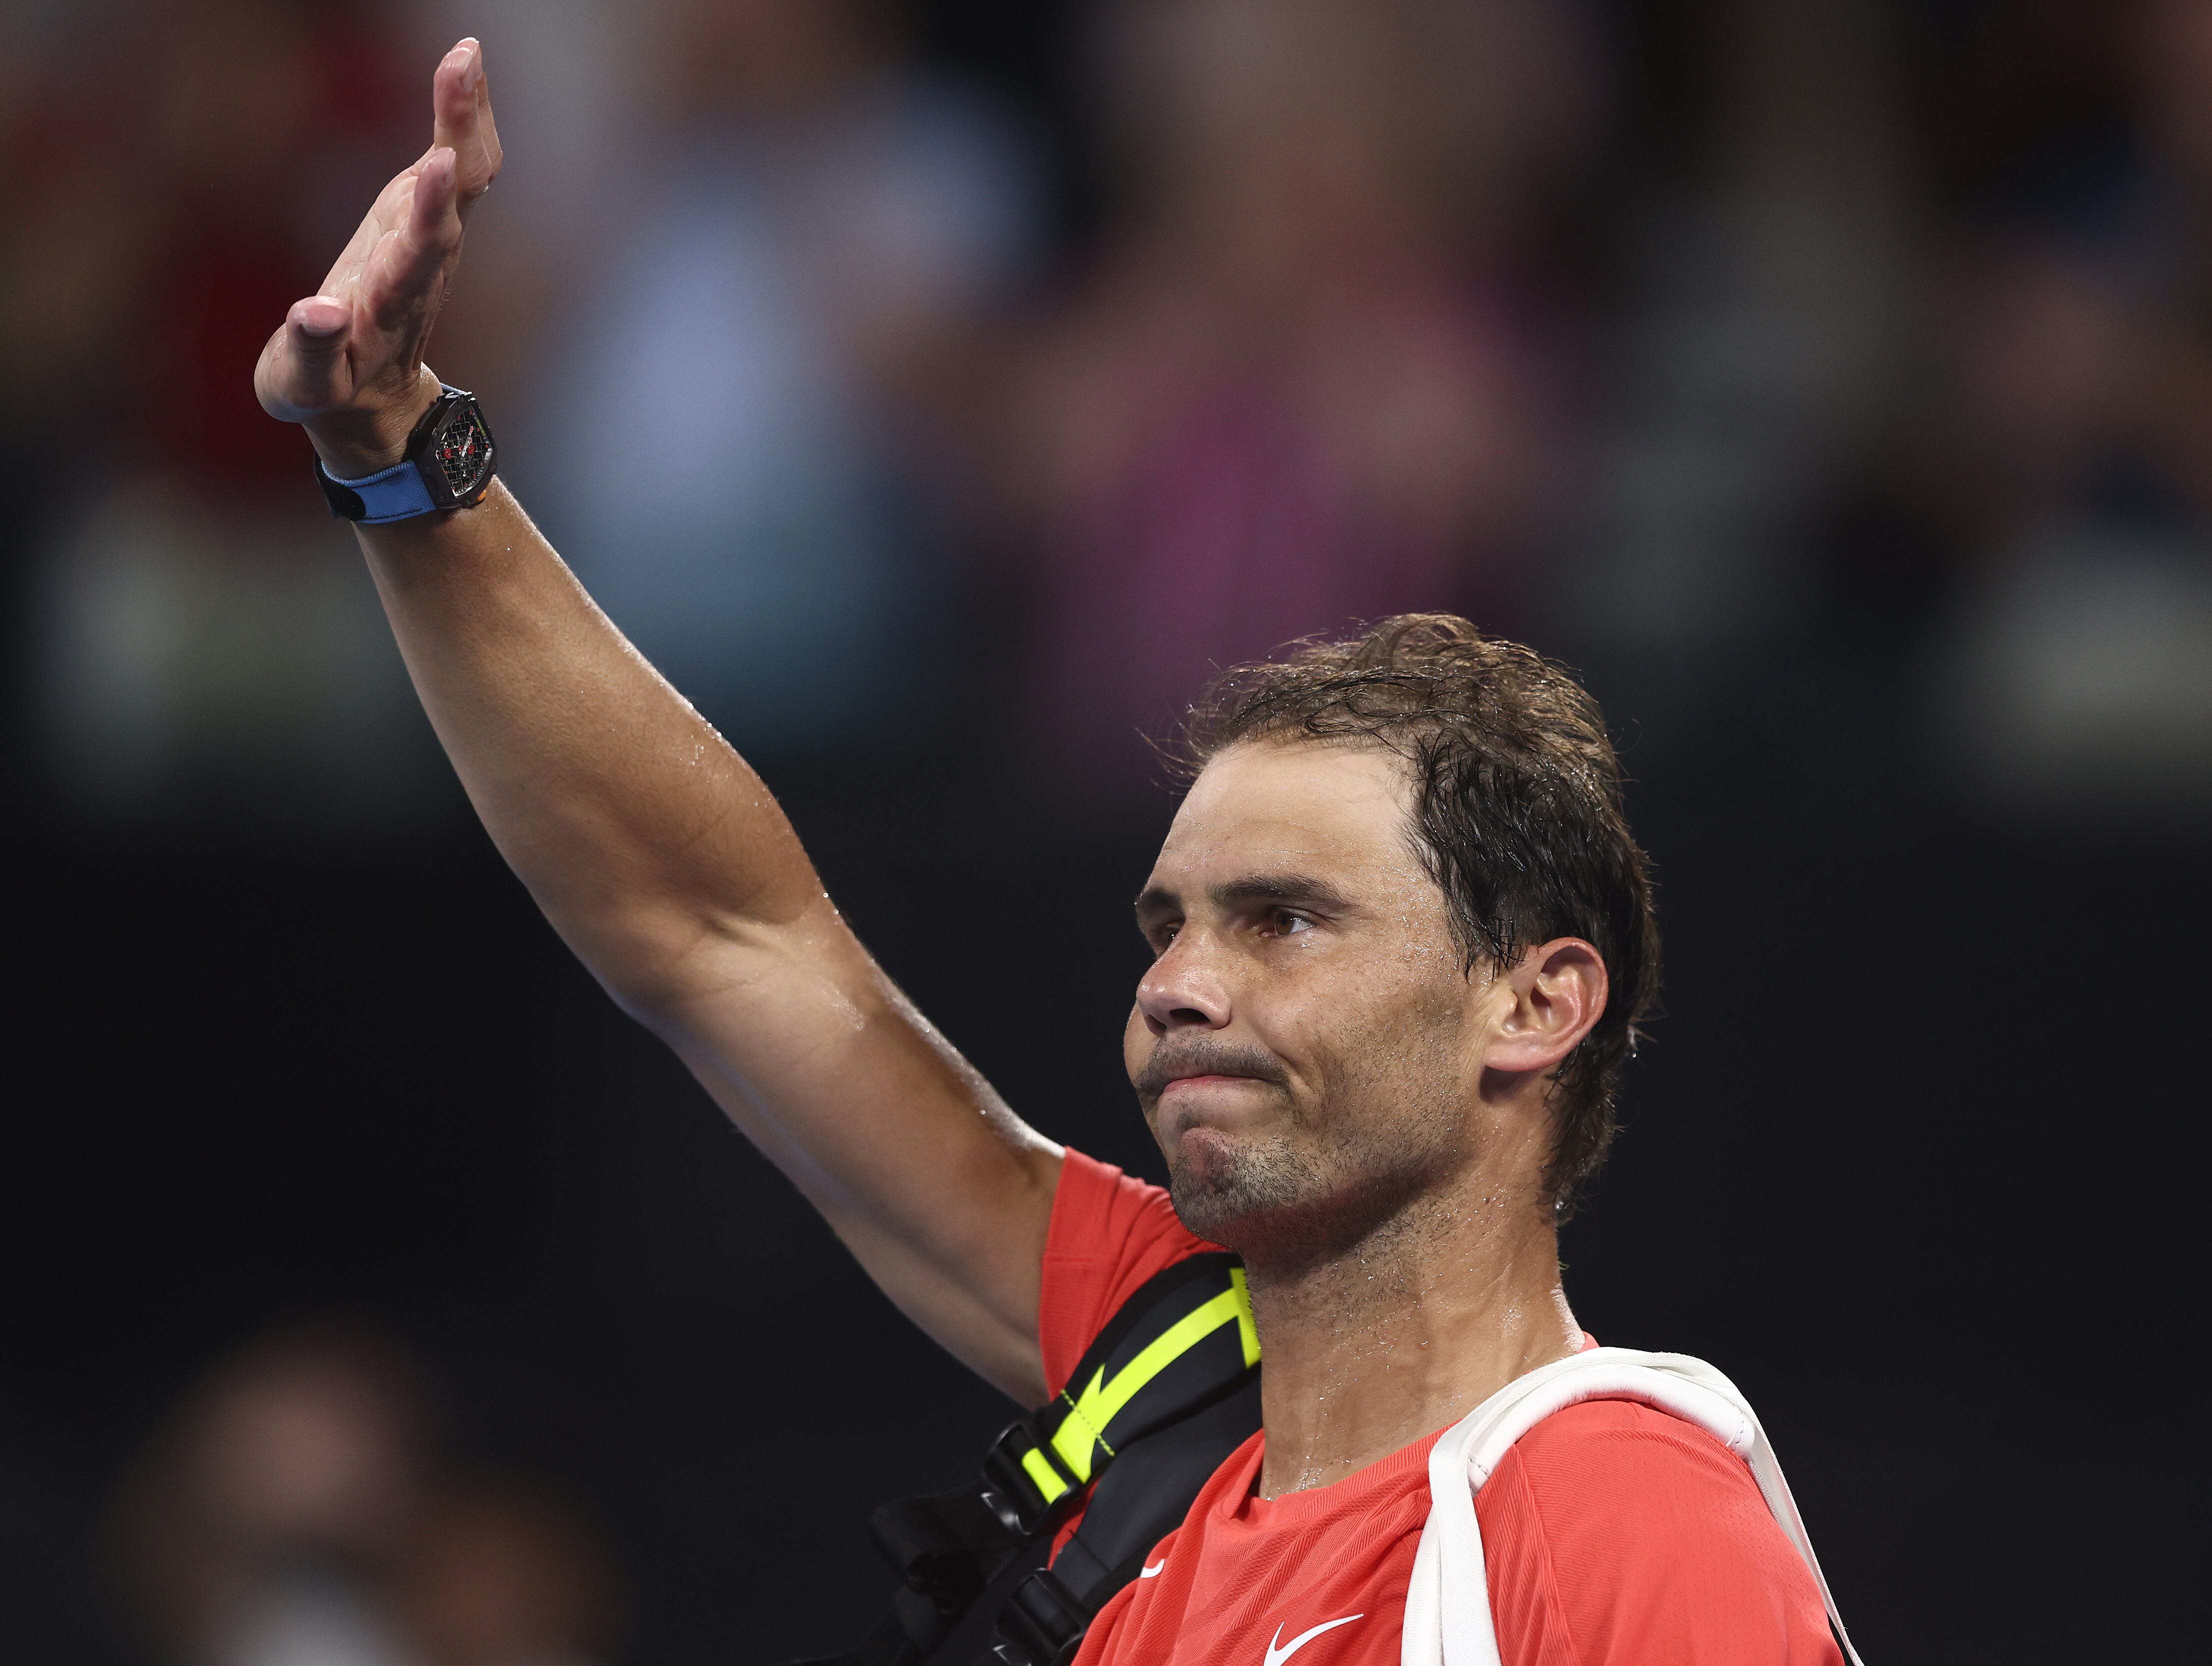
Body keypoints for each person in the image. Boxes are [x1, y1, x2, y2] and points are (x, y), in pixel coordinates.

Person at [253, 41, 1849, 1665]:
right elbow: (719, 933)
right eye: (1170, 926)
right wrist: (399, 452)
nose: (1177, 988)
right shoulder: (1169, 1364)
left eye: (1286, 920)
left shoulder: (1617, 1514)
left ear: (1536, 1003)